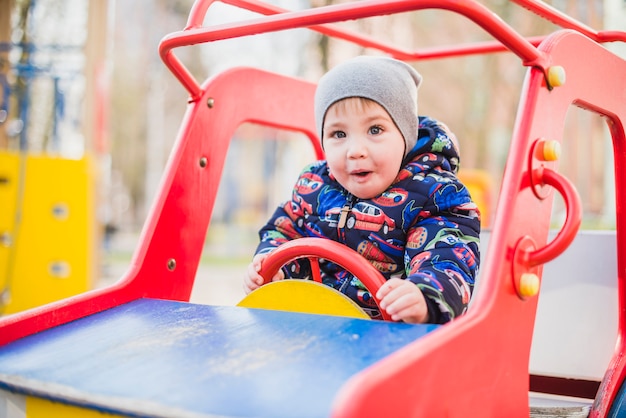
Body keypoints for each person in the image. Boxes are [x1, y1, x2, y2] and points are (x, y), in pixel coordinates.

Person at [244, 56, 480, 324]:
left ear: (405, 135)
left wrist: (424, 294)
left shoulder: (434, 194)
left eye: (375, 129)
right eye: (339, 134)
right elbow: (283, 230)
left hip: (387, 338)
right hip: (313, 326)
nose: (355, 151)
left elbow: (447, 256)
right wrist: (269, 263)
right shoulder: (313, 187)